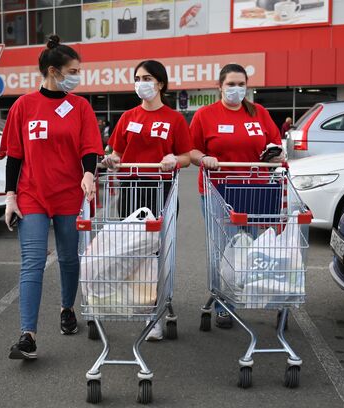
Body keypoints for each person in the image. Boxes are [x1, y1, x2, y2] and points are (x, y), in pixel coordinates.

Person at [1, 35, 104, 360]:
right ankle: (27, 335)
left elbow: (90, 147)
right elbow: (15, 155)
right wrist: (10, 196)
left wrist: (88, 173)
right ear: (52, 70)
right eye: (72, 70)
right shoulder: (23, 106)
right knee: (32, 263)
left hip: (69, 195)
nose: (77, 76)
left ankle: (67, 308)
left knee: (69, 257)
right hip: (32, 195)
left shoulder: (80, 106)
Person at [102, 59, 191, 340]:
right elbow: (117, 152)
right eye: (138, 78)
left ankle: (155, 313)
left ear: (161, 83)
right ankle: (142, 304)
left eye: (148, 78)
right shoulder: (128, 117)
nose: (142, 83)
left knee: (157, 251)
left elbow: (187, 157)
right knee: (134, 249)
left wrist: (173, 159)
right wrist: (112, 160)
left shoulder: (174, 119)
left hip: (161, 189)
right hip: (131, 190)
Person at [189, 63, 282, 329]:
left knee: (256, 249)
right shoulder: (205, 115)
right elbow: (191, 150)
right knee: (226, 250)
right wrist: (205, 157)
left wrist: (275, 156)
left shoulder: (259, 113)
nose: (236, 89)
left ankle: (257, 295)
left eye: (241, 84)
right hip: (219, 192)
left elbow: (274, 145)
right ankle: (224, 304)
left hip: (256, 191)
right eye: (231, 84)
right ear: (219, 86)